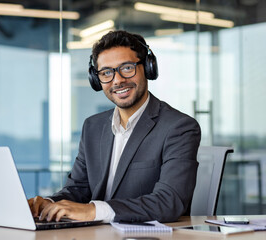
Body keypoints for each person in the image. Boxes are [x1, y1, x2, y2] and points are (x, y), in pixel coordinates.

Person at [28, 30, 201, 223]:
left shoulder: (178, 127)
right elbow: (78, 189)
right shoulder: (92, 127)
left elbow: (169, 202)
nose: (117, 80)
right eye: (107, 72)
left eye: (127, 68)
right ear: (97, 79)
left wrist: (94, 211)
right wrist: (48, 204)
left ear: (148, 68)